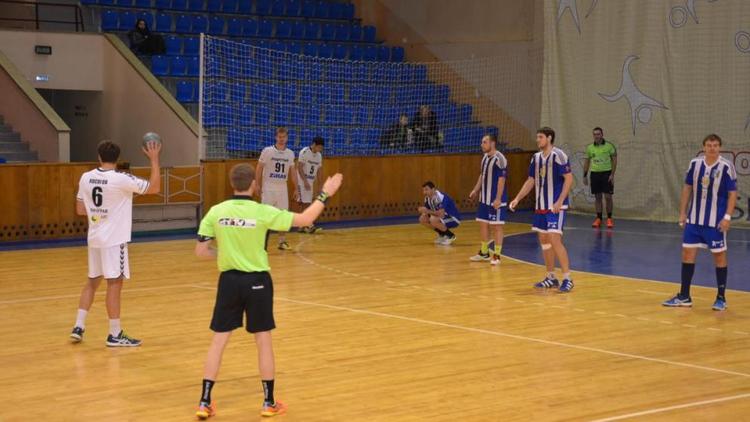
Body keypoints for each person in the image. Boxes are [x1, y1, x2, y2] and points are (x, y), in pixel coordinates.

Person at [193, 164, 343, 419]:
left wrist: (227, 254)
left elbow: (201, 251)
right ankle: (268, 403)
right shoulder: (262, 212)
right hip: (258, 283)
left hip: (228, 281)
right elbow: (306, 219)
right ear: (254, 184)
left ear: (232, 184)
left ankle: (205, 402)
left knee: (219, 341)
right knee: (263, 341)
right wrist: (325, 193)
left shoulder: (216, 211)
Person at [69, 139, 161, 346]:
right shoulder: (121, 179)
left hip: (94, 238)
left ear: (99, 157)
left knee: (92, 282)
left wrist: (99, 213)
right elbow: (154, 188)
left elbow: (80, 210)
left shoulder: (86, 177)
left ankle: (78, 326)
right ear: (118, 159)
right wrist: (154, 159)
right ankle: (115, 334)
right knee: (114, 284)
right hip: (114, 240)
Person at [663, 134, 737, 311]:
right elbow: (687, 188)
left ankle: (721, 298)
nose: (712, 148)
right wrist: (682, 213)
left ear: (720, 148)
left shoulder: (726, 167)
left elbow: (732, 193)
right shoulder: (695, 164)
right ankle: (684, 295)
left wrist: (727, 217)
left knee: (719, 256)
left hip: (715, 223)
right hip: (694, 220)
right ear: (703, 147)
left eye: (716, 145)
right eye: (709, 145)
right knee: (687, 254)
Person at [509, 127, 575, 292]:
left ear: (549, 138)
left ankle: (568, 278)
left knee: (555, 239)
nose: (537, 140)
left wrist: (560, 201)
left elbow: (568, 179)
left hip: (555, 207)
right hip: (540, 206)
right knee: (544, 242)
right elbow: (531, 180)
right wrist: (517, 198)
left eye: (540, 137)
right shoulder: (536, 158)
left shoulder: (559, 155)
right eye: (537, 137)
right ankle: (551, 277)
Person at [468, 134, 508, 265]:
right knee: (483, 224)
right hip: (483, 199)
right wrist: (475, 189)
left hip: (495, 200)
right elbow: (482, 175)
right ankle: (484, 252)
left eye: (484, 142)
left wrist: (497, 198)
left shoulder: (500, 159)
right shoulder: (484, 158)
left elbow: (502, 180)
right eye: (482, 142)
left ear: (493, 143)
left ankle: (497, 255)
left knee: (496, 227)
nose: (482, 144)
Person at [256, 127, 297, 250]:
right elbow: (259, 168)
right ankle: (261, 243)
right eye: (279, 137)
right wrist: (257, 184)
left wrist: (296, 188)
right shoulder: (267, 151)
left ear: (287, 138)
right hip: (268, 186)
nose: (281, 139)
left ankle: (282, 241)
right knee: (265, 216)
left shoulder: (290, 153)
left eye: (284, 137)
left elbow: (293, 172)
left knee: (283, 216)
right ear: (275, 137)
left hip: (282, 187)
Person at [583, 127, 617, 228]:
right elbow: (587, 162)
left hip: (606, 174)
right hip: (595, 174)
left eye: (598, 134)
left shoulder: (609, 146)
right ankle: (598, 218)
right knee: (597, 197)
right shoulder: (590, 148)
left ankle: (609, 218)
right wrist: (584, 176)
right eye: (594, 134)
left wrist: (612, 174)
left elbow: (614, 161)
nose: (596, 136)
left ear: (602, 135)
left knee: (608, 197)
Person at [295, 136, 325, 233]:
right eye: (319, 147)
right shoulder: (304, 152)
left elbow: (319, 171)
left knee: (305, 202)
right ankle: (309, 225)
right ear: (314, 145)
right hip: (302, 180)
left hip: (310, 181)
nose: (320, 150)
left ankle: (302, 225)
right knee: (305, 203)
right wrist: (305, 181)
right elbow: (299, 168)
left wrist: (320, 185)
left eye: (321, 148)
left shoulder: (319, 156)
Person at [418, 181, 460, 245]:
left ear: (433, 189)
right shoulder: (427, 198)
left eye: (426, 189)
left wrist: (427, 211)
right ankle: (442, 234)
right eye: (423, 190)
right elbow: (427, 212)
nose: (424, 192)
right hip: (442, 218)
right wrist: (423, 211)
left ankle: (451, 236)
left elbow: (441, 213)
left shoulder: (441, 197)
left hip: (453, 218)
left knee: (433, 219)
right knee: (422, 219)